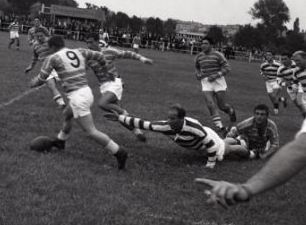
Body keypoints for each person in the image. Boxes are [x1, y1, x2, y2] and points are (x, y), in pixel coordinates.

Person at [196, 44, 306, 207]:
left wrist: (246, 189)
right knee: (232, 143)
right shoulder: (249, 122)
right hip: (245, 141)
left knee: (237, 147)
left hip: (253, 150)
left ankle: (214, 149)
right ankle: (216, 147)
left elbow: (298, 151)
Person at [29, 35, 128, 169]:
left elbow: (41, 79)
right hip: (86, 92)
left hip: (77, 97)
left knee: (91, 131)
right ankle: (61, 140)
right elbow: (100, 56)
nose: (48, 50)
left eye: (49, 48)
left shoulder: (52, 58)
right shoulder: (79, 51)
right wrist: (105, 69)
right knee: (67, 114)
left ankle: (119, 152)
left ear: (53, 47)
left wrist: (33, 83)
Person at [106, 104, 245, 169]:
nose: (169, 121)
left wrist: (210, 164)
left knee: (228, 149)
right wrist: (120, 118)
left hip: (209, 139)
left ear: (181, 119)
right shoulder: (165, 126)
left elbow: (211, 145)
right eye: (168, 117)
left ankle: (249, 152)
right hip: (202, 142)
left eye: (173, 118)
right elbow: (143, 123)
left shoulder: (193, 128)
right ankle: (238, 139)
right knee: (223, 144)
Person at [86, 32, 153, 142]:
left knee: (102, 103)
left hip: (114, 82)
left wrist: (142, 59)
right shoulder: (88, 56)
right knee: (119, 116)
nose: (89, 45)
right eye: (87, 43)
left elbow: (127, 53)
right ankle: (137, 131)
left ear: (97, 41)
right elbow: (81, 68)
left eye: (91, 42)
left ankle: (125, 113)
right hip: (104, 86)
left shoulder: (108, 52)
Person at [194, 37, 237, 134]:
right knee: (210, 103)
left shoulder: (218, 55)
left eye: (206, 43)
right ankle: (219, 126)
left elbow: (227, 68)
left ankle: (231, 111)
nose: (203, 45)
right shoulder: (199, 56)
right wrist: (197, 74)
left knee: (222, 106)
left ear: (211, 45)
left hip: (218, 81)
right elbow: (197, 67)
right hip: (206, 82)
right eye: (202, 43)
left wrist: (216, 75)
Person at [25, 28, 65, 108]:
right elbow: (35, 57)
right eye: (37, 36)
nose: (39, 38)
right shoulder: (35, 45)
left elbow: (61, 51)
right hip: (47, 68)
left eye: (41, 36)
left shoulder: (51, 42)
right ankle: (61, 103)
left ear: (45, 35)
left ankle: (74, 100)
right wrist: (31, 66)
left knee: (65, 85)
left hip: (57, 66)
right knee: (50, 84)